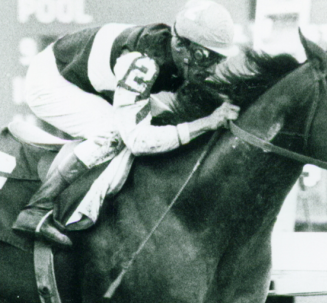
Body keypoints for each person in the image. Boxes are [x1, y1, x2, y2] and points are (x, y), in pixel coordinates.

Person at [13, 0, 242, 247]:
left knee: (165, 119)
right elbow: (137, 141)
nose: (212, 68)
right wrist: (207, 123)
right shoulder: (142, 63)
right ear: (180, 45)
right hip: (51, 81)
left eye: (218, 58)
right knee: (114, 133)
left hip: (90, 78)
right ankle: (37, 208)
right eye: (204, 56)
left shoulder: (172, 53)